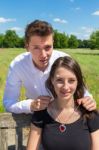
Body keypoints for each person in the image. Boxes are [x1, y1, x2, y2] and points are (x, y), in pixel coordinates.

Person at [3, 20, 96, 114]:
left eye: (47, 47)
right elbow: (9, 103)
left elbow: (83, 93)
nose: (43, 55)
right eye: (36, 48)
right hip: (35, 115)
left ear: (53, 43)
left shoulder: (64, 60)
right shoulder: (18, 65)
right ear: (27, 47)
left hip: (65, 113)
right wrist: (30, 105)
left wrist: (88, 100)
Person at [27, 56, 99, 150]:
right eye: (60, 80)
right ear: (52, 80)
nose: (65, 87)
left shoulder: (89, 114)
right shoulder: (41, 113)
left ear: (78, 82)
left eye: (71, 80)